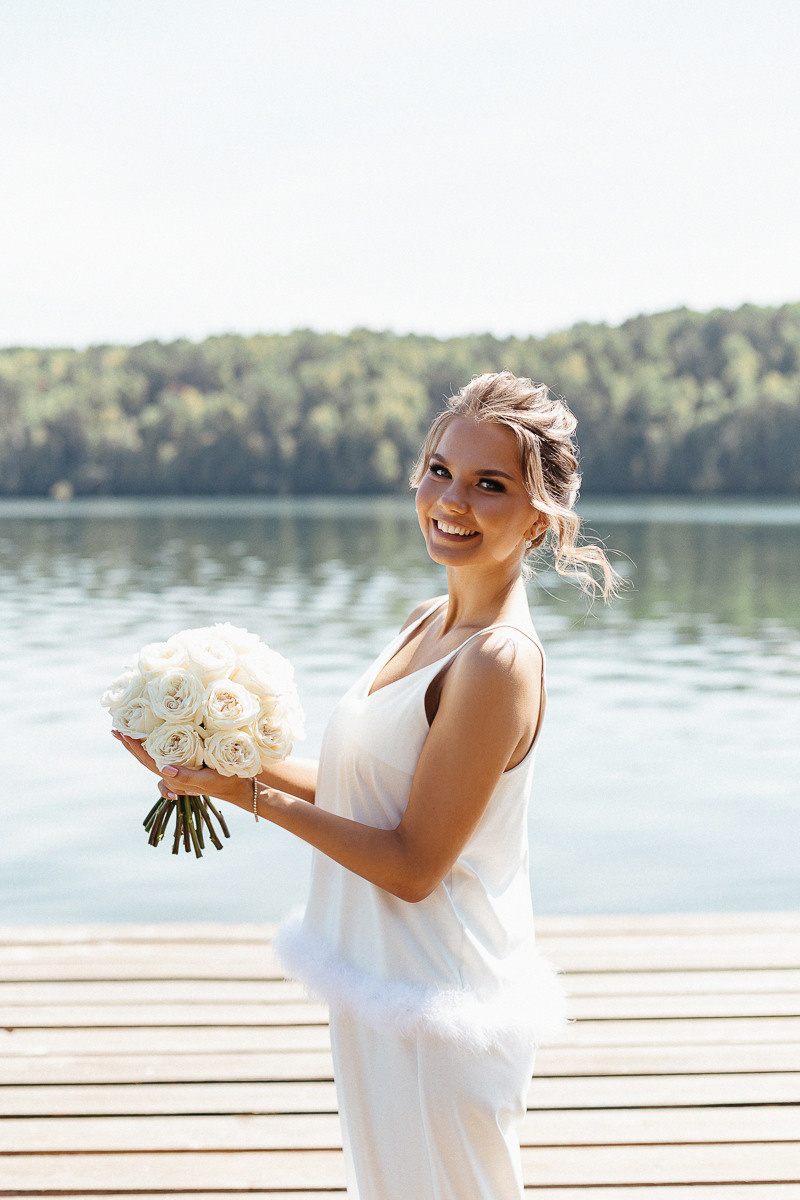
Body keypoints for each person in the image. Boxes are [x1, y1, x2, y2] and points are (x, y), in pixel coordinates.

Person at [114, 371, 620, 1200]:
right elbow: (365, 792)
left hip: (442, 1006)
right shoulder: (429, 619)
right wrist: (206, 755)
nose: (450, 499)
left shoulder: (496, 662)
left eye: (489, 484)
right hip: (383, 986)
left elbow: (414, 863)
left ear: (540, 519)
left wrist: (246, 798)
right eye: (439, 469)